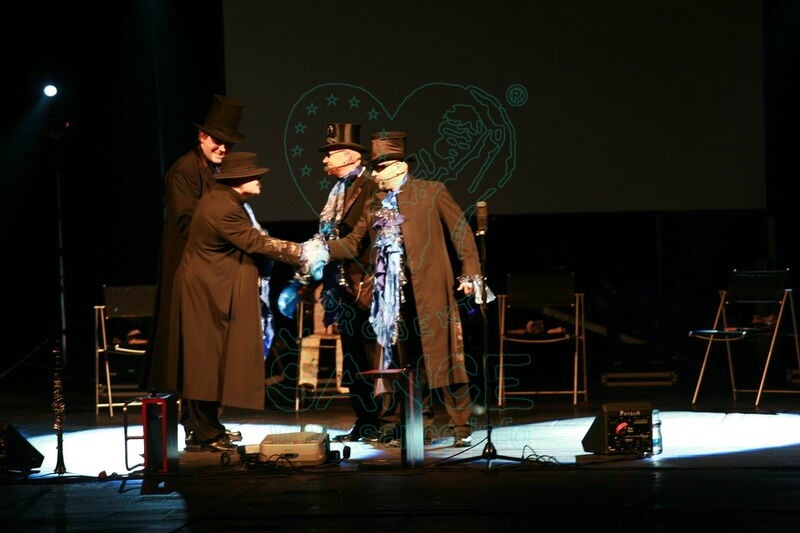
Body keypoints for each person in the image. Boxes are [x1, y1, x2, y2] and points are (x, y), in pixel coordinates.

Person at [326, 131, 491, 447]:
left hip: (430, 287)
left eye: (380, 168)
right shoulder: (375, 203)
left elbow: (460, 232)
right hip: (391, 295)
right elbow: (353, 242)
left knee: (444, 356)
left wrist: (470, 272)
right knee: (405, 361)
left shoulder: (431, 192)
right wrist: (318, 250)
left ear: (399, 167)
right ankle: (420, 423)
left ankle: (461, 425)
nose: (375, 174)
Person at [171, 151, 327, 452]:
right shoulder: (222, 206)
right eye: (254, 175)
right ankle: (204, 431)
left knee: (211, 360)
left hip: (215, 288)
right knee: (205, 361)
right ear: (238, 179)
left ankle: (207, 426)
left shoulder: (229, 201)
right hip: (208, 291)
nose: (259, 180)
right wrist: (302, 252)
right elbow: (255, 242)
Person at [145, 95, 246, 439]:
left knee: (208, 352)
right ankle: (200, 426)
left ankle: (205, 422)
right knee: (196, 352)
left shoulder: (215, 171)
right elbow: (187, 223)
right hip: (190, 274)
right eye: (218, 140)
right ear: (202, 136)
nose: (223, 148)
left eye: (228, 143)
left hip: (209, 273)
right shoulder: (184, 172)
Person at [278, 123, 381, 442]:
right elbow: (329, 233)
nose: (324, 160)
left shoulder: (370, 186)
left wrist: (320, 251)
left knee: (373, 355)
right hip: (342, 285)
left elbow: (363, 238)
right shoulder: (338, 191)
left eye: (330, 154)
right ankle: (365, 420)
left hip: (367, 283)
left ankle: (385, 420)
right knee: (353, 357)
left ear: (349, 156)